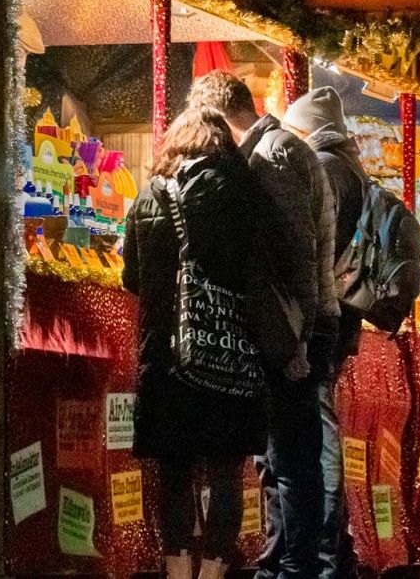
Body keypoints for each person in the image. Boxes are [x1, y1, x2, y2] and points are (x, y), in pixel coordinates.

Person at [187, 71, 340, 579]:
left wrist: (298, 339)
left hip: (293, 327)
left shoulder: (270, 156)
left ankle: (294, 567)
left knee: (291, 458)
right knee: (281, 457)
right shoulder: (277, 149)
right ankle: (281, 561)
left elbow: (298, 251)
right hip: (295, 323)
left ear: (219, 116)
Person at [125, 107, 277, 579]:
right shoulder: (245, 194)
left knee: (174, 470)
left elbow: (131, 276)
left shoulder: (150, 194)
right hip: (230, 351)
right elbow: (262, 270)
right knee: (226, 471)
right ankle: (212, 572)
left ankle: (176, 570)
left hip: (166, 355)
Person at [299, 86, 370, 579]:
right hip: (344, 316)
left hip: (325, 316)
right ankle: (336, 546)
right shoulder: (351, 167)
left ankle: (326, 545)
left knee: (319, 430)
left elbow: (315, 246)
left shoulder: (324, 168)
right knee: (322, 425)